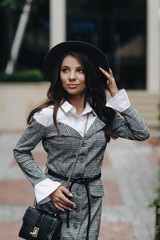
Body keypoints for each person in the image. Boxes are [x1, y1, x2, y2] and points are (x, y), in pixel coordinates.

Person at [13, 41, 150, 240]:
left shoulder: (103, 116)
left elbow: (141, 132)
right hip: (57, 201)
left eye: (80, 70)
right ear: (58, 75)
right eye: (65, 70)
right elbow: (20, 151)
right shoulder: (47, 115)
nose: (71, 77)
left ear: (91, 75)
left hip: (90, 201)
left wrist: (116, 95)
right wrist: (46, 186)